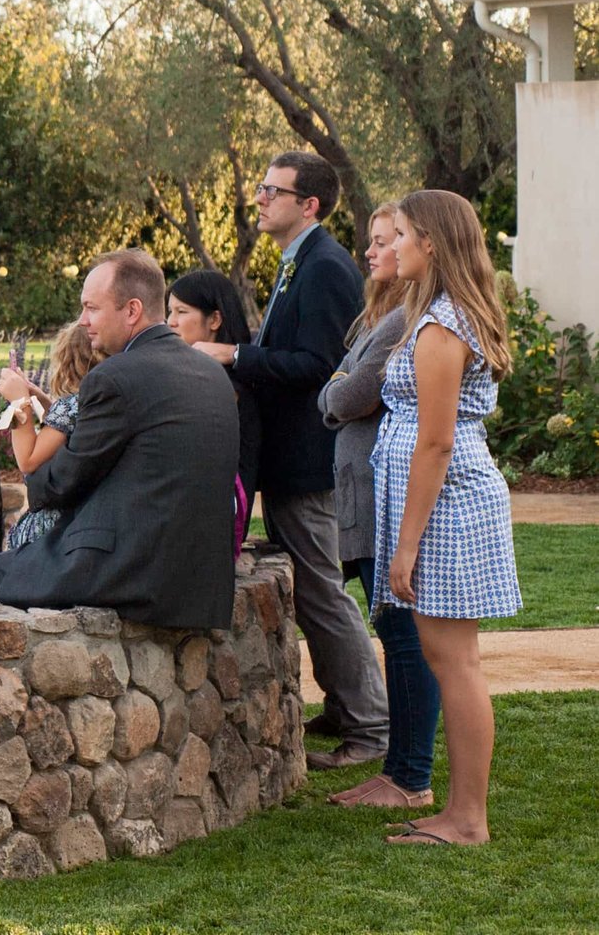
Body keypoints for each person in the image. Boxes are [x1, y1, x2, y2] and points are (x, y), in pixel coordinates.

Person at [190, 151, 388, 768]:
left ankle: (370, 727)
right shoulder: (297, 261)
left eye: (272, 190)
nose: (258, 198)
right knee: (314, 593)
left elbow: (318, 365)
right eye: (260, 187)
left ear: (309, 204)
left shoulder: (325, 267)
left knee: (323, 593)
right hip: (290, 457)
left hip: (310, 457)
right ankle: (343, 705)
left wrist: (234, 358)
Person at [0, 250, 238, 628]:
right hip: (201, 581)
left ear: (132, 311)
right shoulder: (210, 372)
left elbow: (55, 486)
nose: (83, 321)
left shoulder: (115, 377)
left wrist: (22, 413)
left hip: (125, 571)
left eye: (91, 308)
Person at [376, 189, 520, 847]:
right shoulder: (435, 313)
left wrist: (405, 550)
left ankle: (467, 819)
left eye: (401, 233)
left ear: (431, 242)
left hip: (448, 499)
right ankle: (462, 812)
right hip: (442, 495)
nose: (392, 244)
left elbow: (434, 442)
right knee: (449, 657)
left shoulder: (441, 325)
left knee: (454, 660)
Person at [320, 204, 439, 813]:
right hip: (367, 491)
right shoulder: (386, 317)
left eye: (385, 240)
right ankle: (398, 770)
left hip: (379, 494)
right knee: (394, 632)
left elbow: (349, 392)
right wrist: (341, 384)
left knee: (403, 636)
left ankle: (411, 776)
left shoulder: (403, 322)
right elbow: (342, 385)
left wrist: (341, 385)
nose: (371, 252)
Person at [166, 269, 262, 554]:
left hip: (216, 525)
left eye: (181, 311)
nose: (170, 321)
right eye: (169, 311)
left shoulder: (224, 387)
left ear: (215, 319)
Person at [0, 320, 101, 551]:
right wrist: (41, 399)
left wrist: (19, 402)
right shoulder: (92, 401)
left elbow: (28, 460)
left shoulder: (71, 405)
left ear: (68, 362)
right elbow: (66, 427)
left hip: (50, 535)